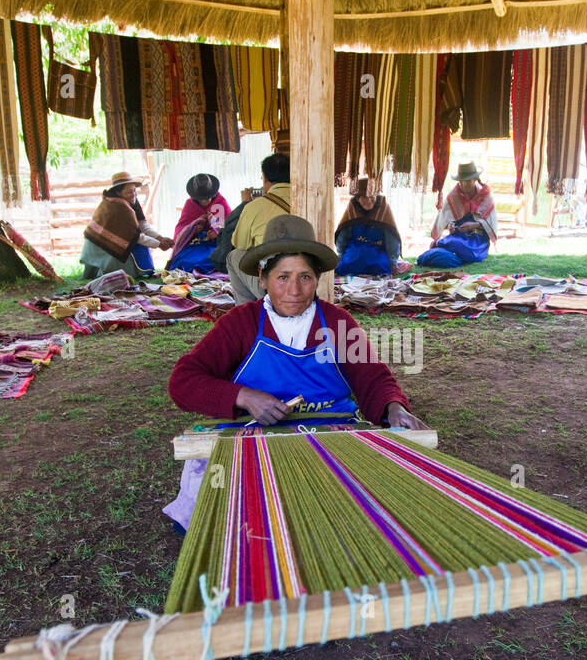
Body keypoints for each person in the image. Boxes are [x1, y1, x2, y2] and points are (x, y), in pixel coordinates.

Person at [165, 214, 427, 530]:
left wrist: (392, 407)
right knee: (229, 516)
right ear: (262, 278)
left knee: (374, 516)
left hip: (331, 438)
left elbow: (372, 377)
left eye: (305, 277)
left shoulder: (337, 323)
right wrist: (244, 397)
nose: (294, 290)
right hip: (257, 439)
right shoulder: (240, 323)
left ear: (317, 280)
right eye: (283, 277)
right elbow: (183, 381)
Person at [79, 171, 171, 280]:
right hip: (101, 247)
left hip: (105, 243)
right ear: (118, 193)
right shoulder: (118, 207)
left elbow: (143, 226)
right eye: (129, 192)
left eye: (134, 191)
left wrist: (160, 238)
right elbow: (135, 237)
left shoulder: (131, 202)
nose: (133, 195)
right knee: (123, 273)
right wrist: (159, 244)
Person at [226, 153, 292, 302]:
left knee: (234, 256)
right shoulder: (309, 199)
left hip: (275, 285)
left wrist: (245, 204)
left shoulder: (255, 206)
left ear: (265, 177)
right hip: (306, 283)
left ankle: (246, 310)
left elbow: (239, 243)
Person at [418, 162, 497, 268]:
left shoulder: (486, 195)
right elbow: (445, 219)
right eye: (462, 182)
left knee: (459, 246)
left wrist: (474, 225)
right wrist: (451, 225)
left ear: (475, 180)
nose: (465, 185)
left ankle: (447, 255)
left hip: (478, 239)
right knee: (453, 242)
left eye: (468, 181)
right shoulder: (453, 196)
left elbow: (491, 222)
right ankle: (445, 255)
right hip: (458, 236)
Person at [334, 177, 404, 276]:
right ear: (358, 199)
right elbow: (343, 236)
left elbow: (392, 240)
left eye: (372, 197)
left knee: (380, 266)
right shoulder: (353, 209)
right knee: (346, 265)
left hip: (378, 249)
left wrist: (393, 262)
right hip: (355, 249)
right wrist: (340, 256)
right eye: (365, 197)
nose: (369, 201)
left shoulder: (383, 209)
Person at [167, 173, 230, 274]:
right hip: (195, 245)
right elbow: (181, 230)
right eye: (202, 199)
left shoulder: (220, 203)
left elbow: (231, 229)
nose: (205, 201)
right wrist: (193, 229)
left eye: (208, 197)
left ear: (213, 193)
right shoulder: (190, 205)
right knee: (183, 262)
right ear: (195, 197)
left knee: (214, 260)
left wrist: (217, 233)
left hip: (216, 246)